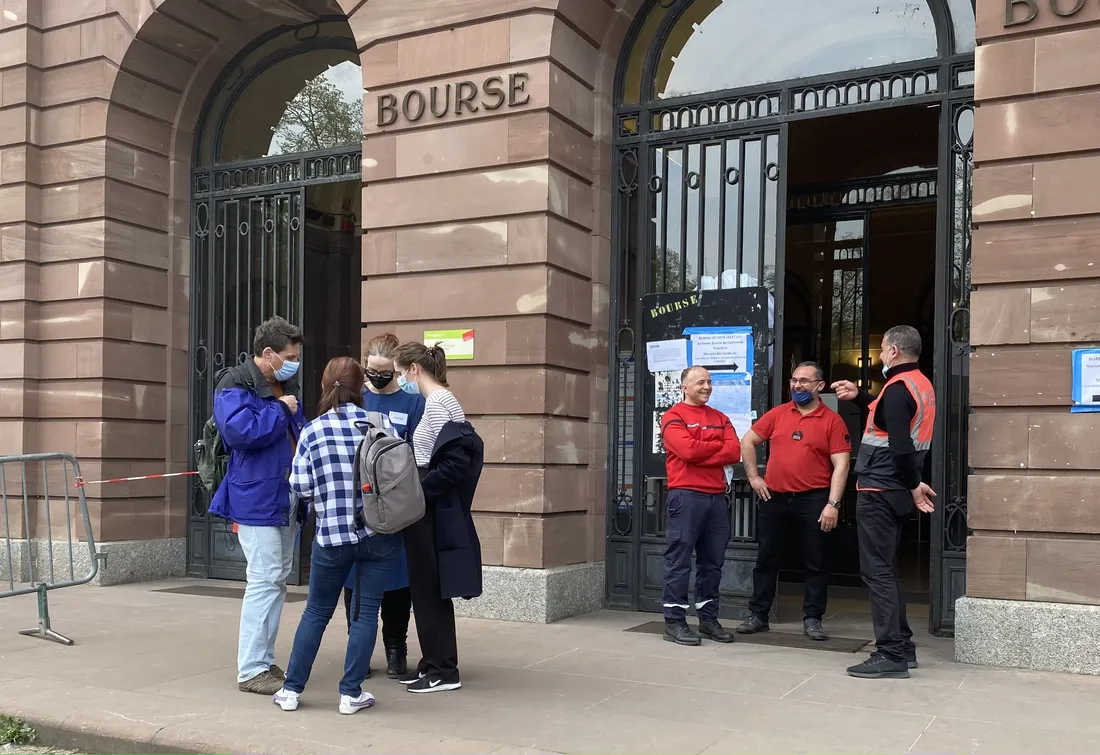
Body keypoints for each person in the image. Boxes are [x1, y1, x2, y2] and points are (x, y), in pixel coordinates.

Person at [272, 357, 404, 714]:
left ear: (324, 386)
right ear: (361, 387)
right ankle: (350, 693)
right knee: (366, 613)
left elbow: (300, 487)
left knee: (316, 611)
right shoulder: (382, 423)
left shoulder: (313, 431)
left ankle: (291, 690)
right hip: (378, 533)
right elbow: (397, 476)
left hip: (331, 536)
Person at [832, 325, 936, 680]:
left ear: (893, 351)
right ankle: (903, 647)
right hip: (893, 492)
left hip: (879, 491)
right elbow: (889, 418)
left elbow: (900, 446)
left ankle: (890, 652)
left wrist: (914, 485)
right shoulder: (918, 384)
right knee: (886, 570)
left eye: (882, 349)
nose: (880, 355)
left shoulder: (897, 389)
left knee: (877, 573)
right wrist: (860, 396)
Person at [211, 316, 306, 695]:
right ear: (268, 353)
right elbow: (239, 432)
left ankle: (263, 661)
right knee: (265, 580)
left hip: (283, 496)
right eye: (290, 357)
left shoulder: (284, 385)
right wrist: (281, 409)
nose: (294, 363)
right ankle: (252, 668)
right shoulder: (235, 382)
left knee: (275, 580)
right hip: (257, 497)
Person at [391, 341, 484, 693]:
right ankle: (433, 662)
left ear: (414, 370)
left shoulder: (438, 403)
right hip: (429, 504)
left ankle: (443, 669)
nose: (400, 381)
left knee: (429, 590)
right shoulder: (441, 401)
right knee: (426, 590)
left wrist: (419, 494)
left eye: (400, 374)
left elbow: (454, 462)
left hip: (428, 508)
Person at [736, 361, 851, 641]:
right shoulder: (778, 414)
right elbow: (747, 441)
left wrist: (833, 504)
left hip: (813, 501)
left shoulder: (832, 421)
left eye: (804, 381)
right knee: (766, 559)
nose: (797, 385)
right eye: (794, 380)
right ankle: (758, 615)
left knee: (815, 561)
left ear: (819, 386)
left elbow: (842, 464)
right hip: (774, 498)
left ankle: (813, 619)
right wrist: (754, 478)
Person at [340, 333, 425, 680]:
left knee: (397, 579)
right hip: (359, 500)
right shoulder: (356, 399)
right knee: (355, 576)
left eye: (385, 372)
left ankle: (395, 647)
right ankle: (358, 649)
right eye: (371, 371)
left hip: (396, 502)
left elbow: (419, 452)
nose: (377, 377)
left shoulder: (413, 403)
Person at [659, 366, 742, 646]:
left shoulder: (720, 417)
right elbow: (687, 450)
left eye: (709, 381)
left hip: (716, 498)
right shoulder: (673, 416)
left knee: (712, 563)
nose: (707, 386)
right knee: (679, 561)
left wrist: (701, 450)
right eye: (700, 382)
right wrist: (714, 448)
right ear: (684, 387)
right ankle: (674, 622)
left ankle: (708, 619)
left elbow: (734, 451)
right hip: (685, 496)